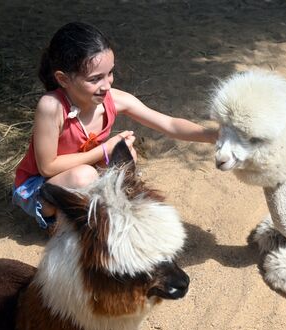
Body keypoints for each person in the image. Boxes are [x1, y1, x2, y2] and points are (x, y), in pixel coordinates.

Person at [12, 22, 218, 231]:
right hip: (40, 187)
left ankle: (96, 214)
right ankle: (61, 228)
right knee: (85, 175)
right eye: (95, 79)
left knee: (125, 155)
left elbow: (169, 124)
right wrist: (104, 149)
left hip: (81, 175)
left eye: (110, 73)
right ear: (63, 79)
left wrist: (213, 135)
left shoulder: (113, 99)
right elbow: (47, 167)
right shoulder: (52, 106)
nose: (107, 85)